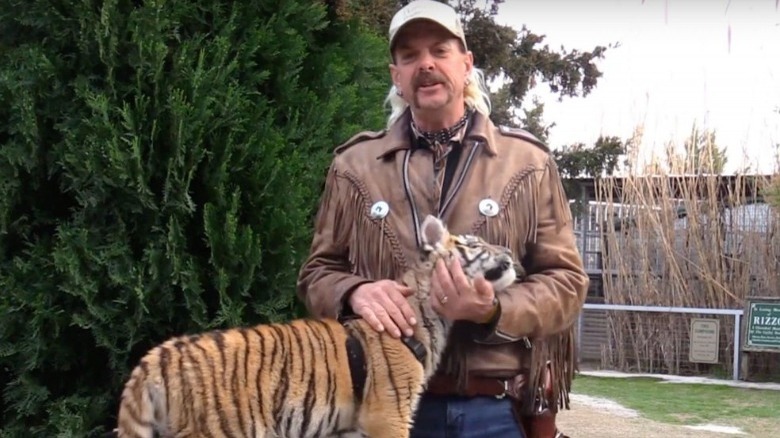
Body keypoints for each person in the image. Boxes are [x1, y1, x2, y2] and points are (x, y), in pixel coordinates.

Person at [297, 1, 589, 437]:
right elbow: (316, 274)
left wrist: (493, 310)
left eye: (440, 50)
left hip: (492, 409)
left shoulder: (526, 162)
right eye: (410, 56)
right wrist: (355, 292)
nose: (426, 65)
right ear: (396, 74)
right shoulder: (354, 165)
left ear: (466, 64)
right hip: (383, 407)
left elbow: (566, 283)